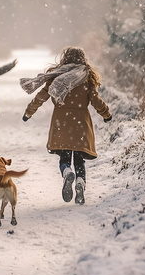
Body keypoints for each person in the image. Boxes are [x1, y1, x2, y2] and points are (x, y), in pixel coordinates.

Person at [20, 47, 112, 205]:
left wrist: (29, 112)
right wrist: (106, 114)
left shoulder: (57, 75)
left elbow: (41, 97)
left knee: (65, 156)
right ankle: (81, 182)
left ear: (64, 58)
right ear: (83, 58)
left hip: (61, 121)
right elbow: (95, 99)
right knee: (79, 158)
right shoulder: (87, 75)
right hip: (81, 121)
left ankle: (67, 172)